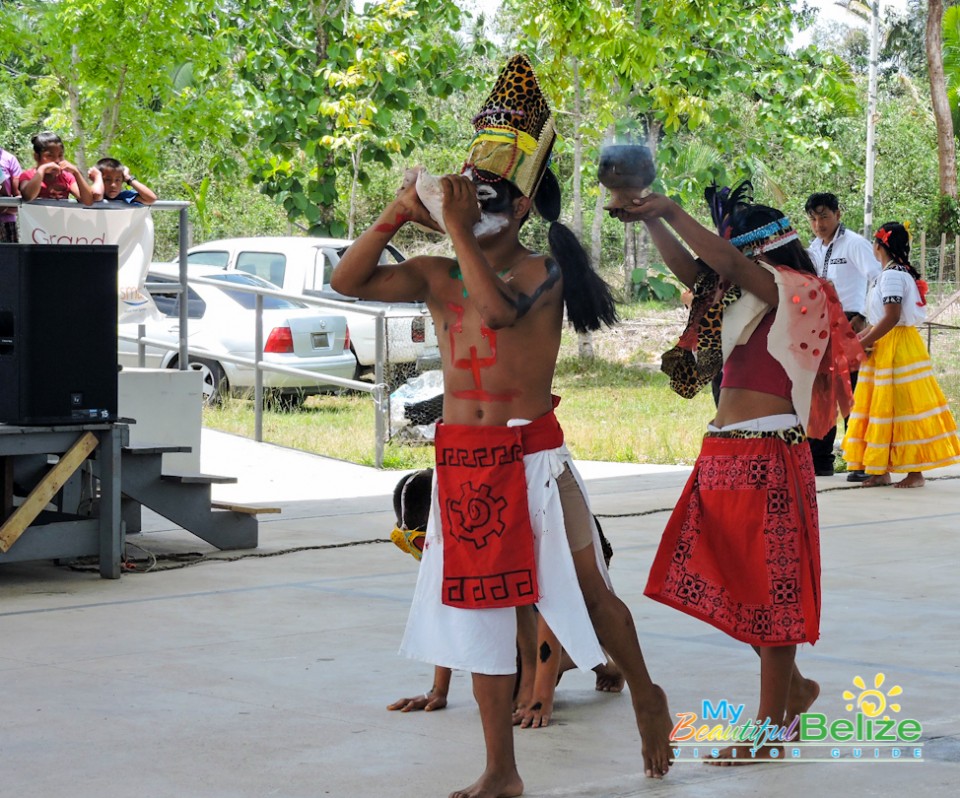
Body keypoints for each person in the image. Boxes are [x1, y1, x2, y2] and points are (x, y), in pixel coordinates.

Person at [333, 54, 673, 796]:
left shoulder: (538, 272)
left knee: (587, 591)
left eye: (490, 196)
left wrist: (454, 228)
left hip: (532, 455)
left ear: (519, 209)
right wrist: (397, 211)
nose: (473, 204)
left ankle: (646, 691)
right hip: (463, 460)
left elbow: (493, 311)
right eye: (466, 193)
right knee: (480, 617)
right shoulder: (433, 271)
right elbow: (346, 280)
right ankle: (501, 772)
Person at [612, 181, 862, 763]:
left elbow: (719, 262)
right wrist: (651, 220)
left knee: (772, 593)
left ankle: (769, 730)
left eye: (733, 249)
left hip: (769, 453)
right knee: (733, 582)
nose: (723, 261)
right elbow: (700, 270)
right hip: (725, 452)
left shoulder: (797, 289)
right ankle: (793, 691)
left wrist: (669, 207)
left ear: (760, 248)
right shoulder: (742, 291)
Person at [388, 469, 623, 727]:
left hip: (574, 557)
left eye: (422, 543)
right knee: (497, 694)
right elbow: (447, 611)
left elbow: (551, 609)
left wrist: (539, 697)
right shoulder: (447, 541)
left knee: (519, 685)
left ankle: (599, 656)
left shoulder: (496, 533)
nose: (425, 553)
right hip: (526, 578)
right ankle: (578, 653)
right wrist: (437, 691)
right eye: (405, 542)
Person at [842, 222, 960, 487]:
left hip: (897, 347)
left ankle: (915, 472)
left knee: (902, 406)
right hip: (885, 345)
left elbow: (892, 317)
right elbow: (878, 318)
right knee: (881, 407)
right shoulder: (888, 274)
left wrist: (863, 342)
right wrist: (858, 339)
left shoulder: (894, 275)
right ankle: (880, 469)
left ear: (878, 246)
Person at [805, 193, 881, 479]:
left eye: (824, 216)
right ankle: (821, 460)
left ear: (838, 214)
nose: (818, 224)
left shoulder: (855, 244)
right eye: (813, 218)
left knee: (852, 393)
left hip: (851, 322)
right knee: (822, 393)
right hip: (821, 325)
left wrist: (863, 316)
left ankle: (860, 461)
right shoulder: (813, 248)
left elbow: (877, 276)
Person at [18, 131, 99, 205]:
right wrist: (41, 170)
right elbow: (28, 197)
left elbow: (88, 201)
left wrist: (76, 172)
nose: (57, 160)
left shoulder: (66, 177)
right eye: (50, 155)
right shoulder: (27, 176)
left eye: (60, 155)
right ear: (36, 157)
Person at [91, 157, 158, 205]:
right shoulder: (91, 193)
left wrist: (128, 178)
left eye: (118, 180)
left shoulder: (124, 196)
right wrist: (97, 177)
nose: (113, 185)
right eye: (107, 180)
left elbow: (151, 199)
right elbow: (97, 195)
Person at [0, 143, 23, 242]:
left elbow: (19, 198)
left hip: (6, 223)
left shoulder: (9, 159)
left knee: (9, 256)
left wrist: (4, 208)